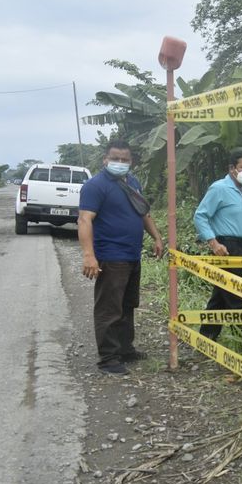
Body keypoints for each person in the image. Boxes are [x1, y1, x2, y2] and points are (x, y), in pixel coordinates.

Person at [78, 139, 164, 374]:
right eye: (115, 158)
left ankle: (125, 349)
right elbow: (85, 220)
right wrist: (89, 255)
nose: (120, 163)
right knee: (109, 308)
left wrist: (157, 237)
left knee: (127, 304)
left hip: (132, 254)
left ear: (131, 161)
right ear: (105, 159)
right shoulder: (95, 186)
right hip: (111, 255)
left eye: (124, 159)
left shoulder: (132, 182)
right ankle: (108, 358)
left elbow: (143, 213)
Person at [193, 150, 242, 341]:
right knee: (236, 292)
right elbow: (200, 216)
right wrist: (214, 243)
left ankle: (207, 335)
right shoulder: (219, 188)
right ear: (232, 168)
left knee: (221, 293)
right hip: (227, 246)